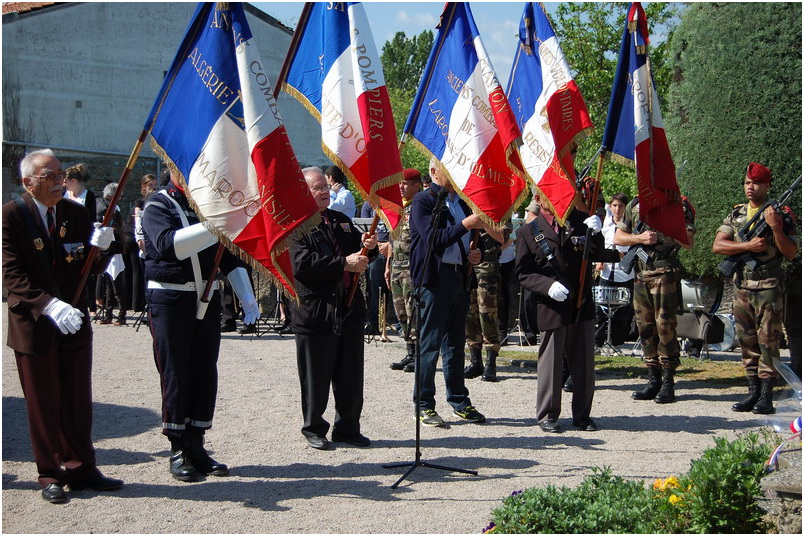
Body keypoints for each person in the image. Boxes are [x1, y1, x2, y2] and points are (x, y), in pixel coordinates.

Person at [2, 149, 122, 503]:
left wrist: (102, 249)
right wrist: (49, 304)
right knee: (43, 401)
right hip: (35, 324)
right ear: (28, 182)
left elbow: (87, 267)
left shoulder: (75, 211)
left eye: (60, 174)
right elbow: (12, 275)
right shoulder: (12, 216)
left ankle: (82, 467)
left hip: (74, 322)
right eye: (49, 177)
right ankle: (50, 473)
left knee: (76, 398)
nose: (59, 182)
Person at [141, 169, 259, 481]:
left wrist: (247, 295)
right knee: (176, 372)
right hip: (171, 300)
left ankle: (197, 444)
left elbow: (230, 257)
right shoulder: (158, 205)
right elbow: (170, 246)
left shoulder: (208, 208)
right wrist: (218, 225)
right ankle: (178, 447)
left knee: (205, 371)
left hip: (206, 301)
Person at [289, 167, 378, 450]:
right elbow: (300, 263)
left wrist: (370, 248)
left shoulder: (340, 220)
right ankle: (314, 426)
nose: (324, 191)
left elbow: (358, 254)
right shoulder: (294, 223)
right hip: (315, 310)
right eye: (316, 188)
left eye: (324, 187)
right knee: (316, 374)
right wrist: (343, 264)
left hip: (348, 307)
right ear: (303, 191)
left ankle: (348, 426)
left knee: (350, 373)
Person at [408, 157, 498, 427]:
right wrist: (467, 224)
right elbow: (435, 239)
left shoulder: (459, 201)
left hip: (459, 277)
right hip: (433, 280)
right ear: (434, 171)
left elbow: (467, 240)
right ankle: (424, 404)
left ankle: (459, 400)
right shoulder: (423, 201)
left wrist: (476, 253)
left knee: (455, 345)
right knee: (430, 344)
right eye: (449, 168)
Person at [515, 193, 607, 433]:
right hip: (552, 303)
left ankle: (582, 415)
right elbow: (523, 273)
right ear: (538, 197)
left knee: (584, 362)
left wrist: (596, 233)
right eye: (548, 192)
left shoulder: (580, 220)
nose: (555, 198)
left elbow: (597, 254)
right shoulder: (528, 231)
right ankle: (548, 415)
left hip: (580, 299)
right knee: (552, 363)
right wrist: (547, 286)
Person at [712, 162, 798, 414]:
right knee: (746, 340)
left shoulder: (780, 214)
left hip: (768, 285)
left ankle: (766, 395)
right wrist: (747, 247)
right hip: (742, 285)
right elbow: (718, 246)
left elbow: (791, 253)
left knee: (768, 340)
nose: (751, 187)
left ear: (767, 185)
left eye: (756, 183)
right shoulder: (737, 213)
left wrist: (774, 227)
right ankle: (752, 392)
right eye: (748, 183)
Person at [614, 193, 696, 404]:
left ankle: (668, 383)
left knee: (665, 327)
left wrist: (667, 223)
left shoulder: (678, 204)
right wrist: (639, 238)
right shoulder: (635, 203)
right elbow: (618, 237)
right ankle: (653, 380)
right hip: (641, 274)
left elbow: (688, 243)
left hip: (664, 273)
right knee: (645, 327)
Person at [387, 168, 423, 372]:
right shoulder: (398, 208)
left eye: (405, 184)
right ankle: (409, 352)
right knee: (400, 312)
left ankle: (418, 355)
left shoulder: (419, 207)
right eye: (399, 183)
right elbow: (393, 239)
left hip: (411, 267)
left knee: (413, 313)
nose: (400, 187)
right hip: (396, 266)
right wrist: (387, 265)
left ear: (416, 185)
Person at [464, 228, 505, 382]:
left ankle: (491, 362)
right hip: (467, 265)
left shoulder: (496, 209)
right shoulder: (465, 207)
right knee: (469, 316)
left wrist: (482, 221)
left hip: (487, 266)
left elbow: (503, 237)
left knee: (487, 315)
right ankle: (475, 361)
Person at [594, 192, 635, 347]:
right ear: (610, 206)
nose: (617, 209)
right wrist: (599, 259)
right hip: (606, 271)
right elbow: (599, 245)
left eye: (621, 206)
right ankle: (598, 340)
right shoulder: (605, 224)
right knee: (601, 307)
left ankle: (617, 341)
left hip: (624, 272)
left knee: (623, 309)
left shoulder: (630, 225)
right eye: (614, 206)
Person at [62, 164, 99, 317]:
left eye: (66, 181)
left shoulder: (88, 196)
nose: (64, 184)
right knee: (67, 269)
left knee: (84, 271)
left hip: (81, 239)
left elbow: (91, 219)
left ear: (74, 181)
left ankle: (91, 306)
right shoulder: (65, 194)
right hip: (66, 237)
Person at [360, 198, 394, 336]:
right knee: (375, 288)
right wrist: (376, 244)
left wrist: (388, 244)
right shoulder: (368, 204)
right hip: (376, 248)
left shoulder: (393, 201)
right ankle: (374, 323)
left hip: (392, 245)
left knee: (395, 285)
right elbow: (366, 231)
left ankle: (399, 322)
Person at [97, 183, 128, 326]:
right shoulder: (106, 207)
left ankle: (121, 315)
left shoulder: (114, 209)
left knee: (116, 285)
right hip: (109, 248)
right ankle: (108, 314)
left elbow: (118, 230)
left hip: (115, 250)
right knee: (109, 285)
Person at [497, 220, 516, 346]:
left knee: (502, 294)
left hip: (505, 257)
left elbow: (506, 232)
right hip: (487, 256)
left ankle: (502, 331)